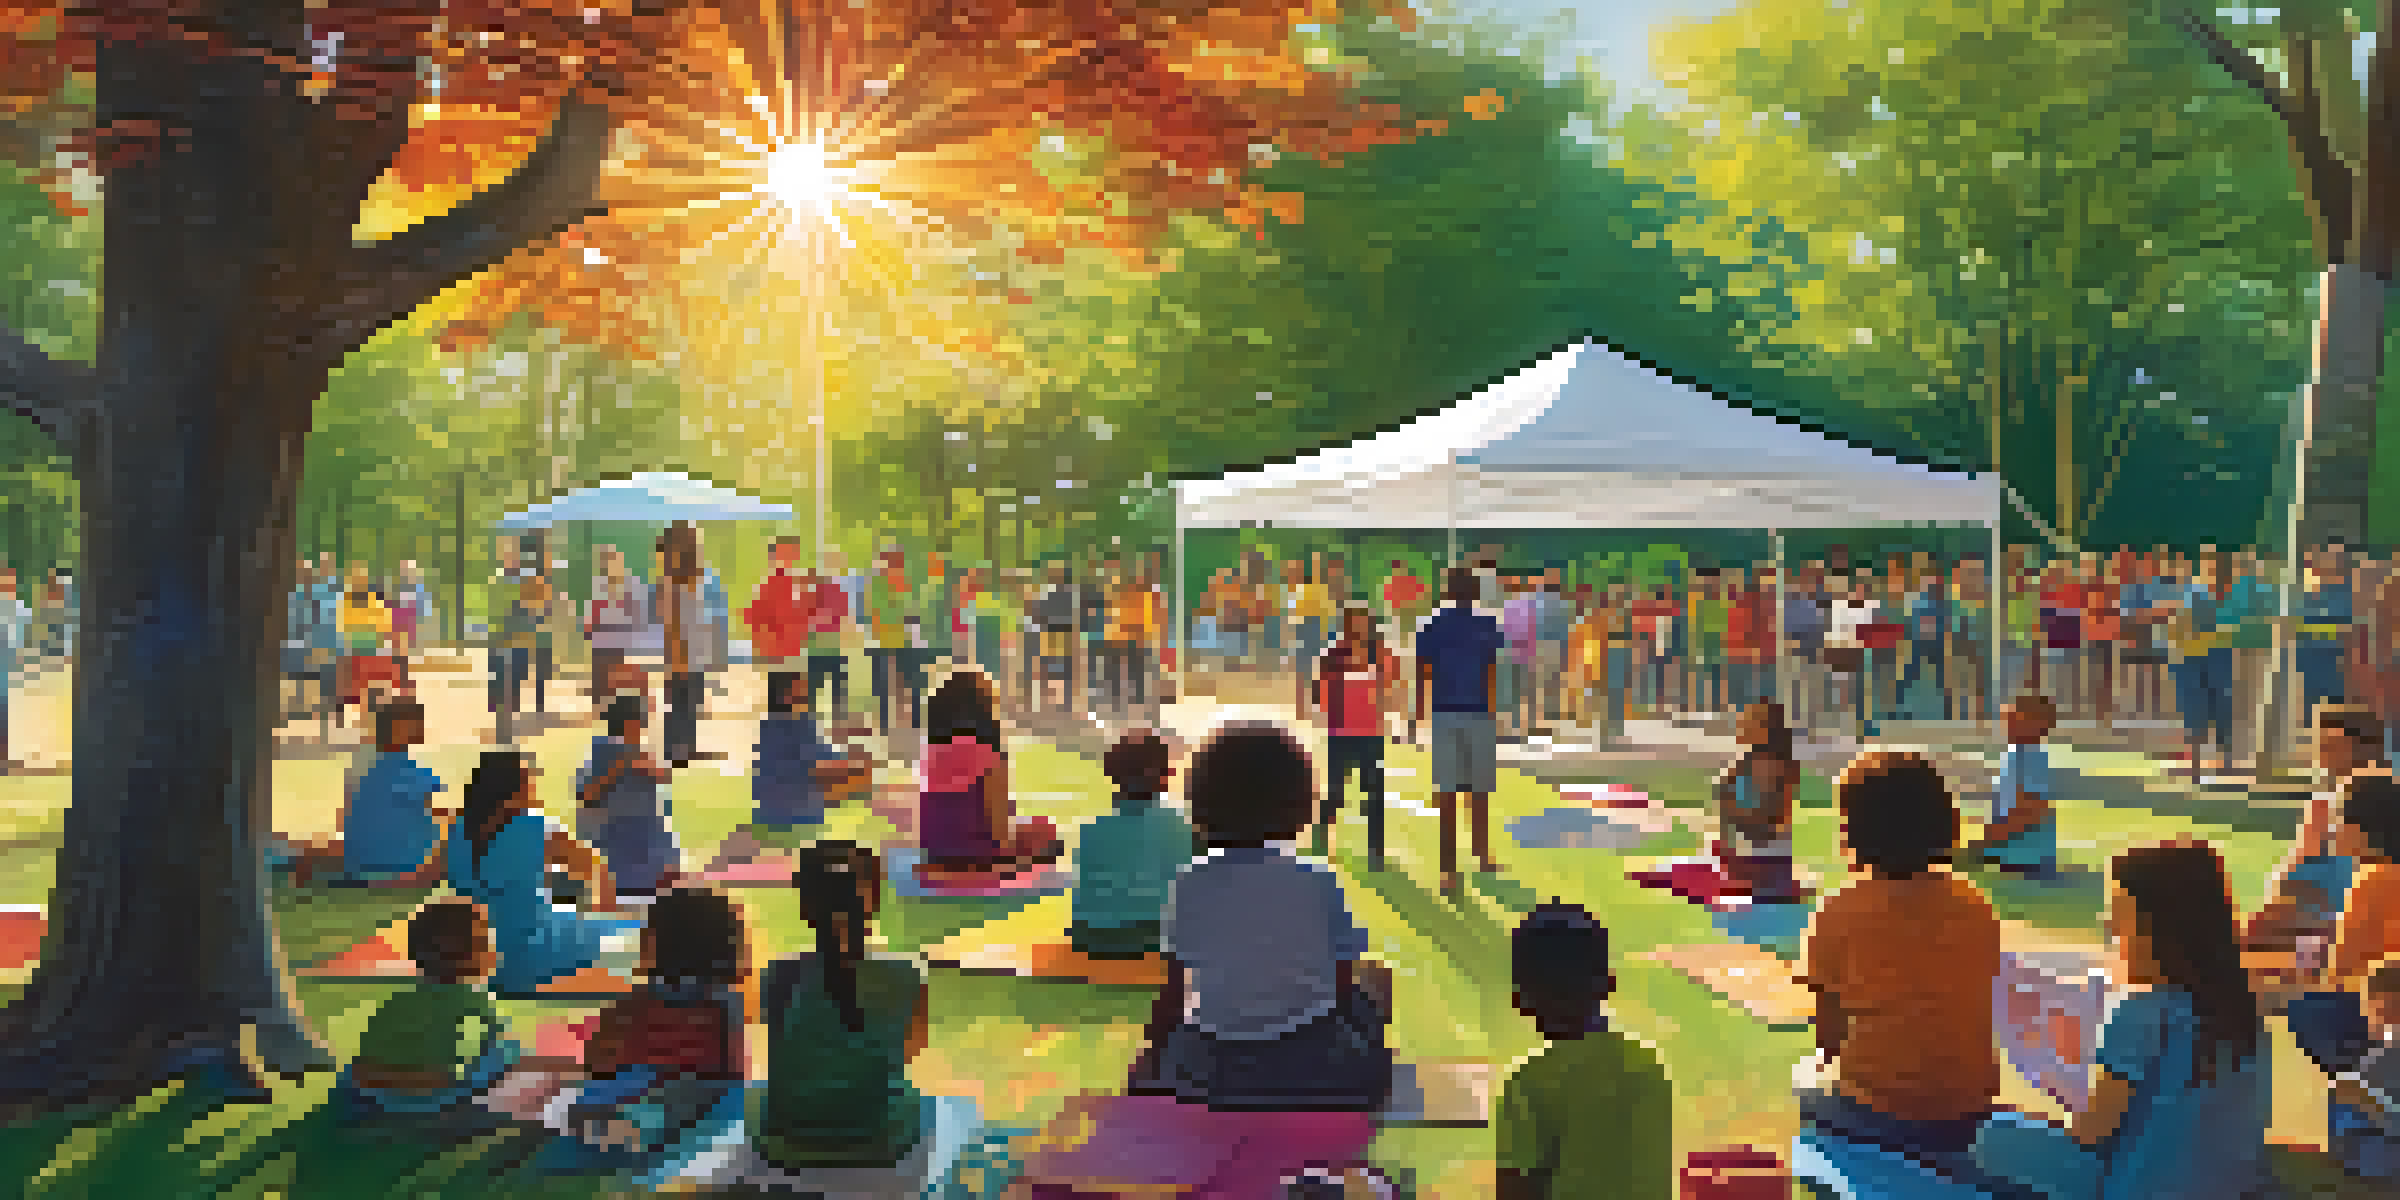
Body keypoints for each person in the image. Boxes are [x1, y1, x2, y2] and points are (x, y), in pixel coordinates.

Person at [1973, 839, 2275, 1200]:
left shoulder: (2140, 1010)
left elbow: (2092, 1134)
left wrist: (2042, 1111)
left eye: (2118, 915)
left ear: (2156, 930)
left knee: (1994, 1133)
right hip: (2225, 1188)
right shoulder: (2245, 1013)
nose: (2108, 926)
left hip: (2135, 1188)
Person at [1127, 722, 1395, 1112]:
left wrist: (1151, 1062)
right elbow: (1340, 987)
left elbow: (1174, 991)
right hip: (1316, 1071)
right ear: (1300, 802)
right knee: (1375, 984)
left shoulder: (1189, 882)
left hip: (1210, 1070)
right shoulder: (1318, 879)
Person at [1796, 750, 2003, 1176]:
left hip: (1877, 1116)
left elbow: (1828, 1033)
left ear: (1854, 830)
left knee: (1804, 1079)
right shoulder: (1977, 906)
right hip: (1971, 1116)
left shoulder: (1839, 911)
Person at [754, 841, 987, 1182]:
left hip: (786, 1138)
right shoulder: (905, 975)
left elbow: (781, 1043)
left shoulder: (777, 973)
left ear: (805, 907)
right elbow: (908, 1053)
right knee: (949, 1109)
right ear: (873, 905)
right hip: (878, 1139)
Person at [554, 887, 749, 1161]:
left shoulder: (633, 1002)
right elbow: (733, 1073)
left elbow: (595, 1064)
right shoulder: (727, 1003)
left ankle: (625, 1129)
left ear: (656, 943)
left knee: (588, 1104)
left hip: (636, 1101)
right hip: (695, 1105)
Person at [1494, 902, 1673, 1200]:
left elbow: (1515, 1191)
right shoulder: (1647, 1064)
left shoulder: (1529, 1085)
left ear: (1519, 1000)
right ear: (1609, 985)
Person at [447, 750, 638, 996]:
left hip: (472, 960)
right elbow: (594, 866)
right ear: (517, 790)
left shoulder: (455, 830)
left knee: (563, 900)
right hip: (527, 960)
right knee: (630, 929)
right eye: (529, 782)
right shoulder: (535, 826)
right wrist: (603, 908)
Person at [333, 897, 529, 1133]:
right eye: (489, 943)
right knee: (508, 1052)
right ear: (474, 956)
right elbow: (490, 1052)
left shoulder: (397, 998)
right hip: (430, 1098)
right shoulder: (475, 1001)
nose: (496, 952)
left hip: (372, 1092)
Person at [2247, 706, 2383, 974]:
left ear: (2365, 749)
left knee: (2266, 934)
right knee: (2261, 931)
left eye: (2333, 746)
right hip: (2322, 907)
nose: (2323, 756)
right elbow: (2298, 867)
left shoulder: (2379, 798)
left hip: (2350, 907)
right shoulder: (2323, 803)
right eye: (2321, 746)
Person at [1416, 567, 1507, 894]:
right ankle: (1481, 855)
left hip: (1444, 713)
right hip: (1477, 712)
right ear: (1475, 591)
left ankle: (1448, 869)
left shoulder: (1432, 624)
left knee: (1448, 793)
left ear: (1448, 591)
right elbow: (1491, 670)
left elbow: (1423, 670)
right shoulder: (1486, 624)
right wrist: (1493, 713)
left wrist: (1418, 712)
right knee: (1478, 790)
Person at [1070, 729, 1197, 959]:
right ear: (1168, 774)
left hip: (1092, 937)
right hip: (1158, 939)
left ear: (1111, 775)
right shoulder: (1185, 827)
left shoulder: (1090, 829)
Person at [917, 671, 1060, 872]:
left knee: (1034, 830)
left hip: (936, 852)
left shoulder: (931, 755)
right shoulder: (990, 756)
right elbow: (999, 831)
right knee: (1045, 832)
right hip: (979, 855)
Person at [1314, 605, 1401, 868]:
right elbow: (1319, 692)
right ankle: (1322, 840)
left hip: (1371, 734)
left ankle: (1376, 851)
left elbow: (1391, 686)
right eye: (1356, 623)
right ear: (1347, 625)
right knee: (1336, 793)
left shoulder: (1381, 653)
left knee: (1374, 793)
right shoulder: (1333, 654)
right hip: (1340, 733)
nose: (1361, 628)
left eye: (1365, 623)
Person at [574, 695, 681, 899]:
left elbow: (663, 778)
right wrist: (620, 764)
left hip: (648, 851)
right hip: (621, 856)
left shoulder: (637, 752)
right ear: (629, 723)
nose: (643, 728)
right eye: (640, 722)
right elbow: (587, 796)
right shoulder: (602, 752)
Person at [332, 699, 447, 885]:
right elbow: (432, 812)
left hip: (359, 864)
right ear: (397, 729)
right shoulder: (406, 769)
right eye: (415, 723)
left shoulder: (366, 767)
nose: (422, 727)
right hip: (400, 866)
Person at [1960, 694, 2062, 880]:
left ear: (2037, 725)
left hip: (2026, 859)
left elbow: (2032, 811)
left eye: (2016, 715)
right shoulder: (2017, 753)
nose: (2007, 719)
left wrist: (1986, 844)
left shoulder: (2031, 757)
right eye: (2008, 715)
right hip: (2012, 851)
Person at [1713, 701, 1802, 902]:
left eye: (1749, 720)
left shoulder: (1774, 766)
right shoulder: (1748, 762)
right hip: (1749, 851)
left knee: (1764, 906)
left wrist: (1728, 801)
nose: (1741, 723)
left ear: (1766, 729)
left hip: (1763, 853)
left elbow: (1771, 816)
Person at [2328, 953, 2400, 1180]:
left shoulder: (2384, 1054)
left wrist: (2365, 1099)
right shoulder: (2380, 1053)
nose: (2366, 1011)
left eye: (2369, 1001)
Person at [656, 522, 719, 767]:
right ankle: (675, 751)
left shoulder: (692, 579)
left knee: (690, 702)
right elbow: (671, 623)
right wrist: (676, 656)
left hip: (694, 650)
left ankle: (687, 748)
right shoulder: (673, 582)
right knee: (681, 702)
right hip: (682, 651)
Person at [585, 544, 650, 713]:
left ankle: (623, 708)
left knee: (619, 676)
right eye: (604, 562)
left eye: (610, 560)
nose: (607, 565)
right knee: (601, 676)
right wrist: (588, 628)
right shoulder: (598, 584)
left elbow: (637, 613)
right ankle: (601, 708)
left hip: (620, 639)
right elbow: (592, 608)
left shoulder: (630, 584)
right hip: (601, 639)